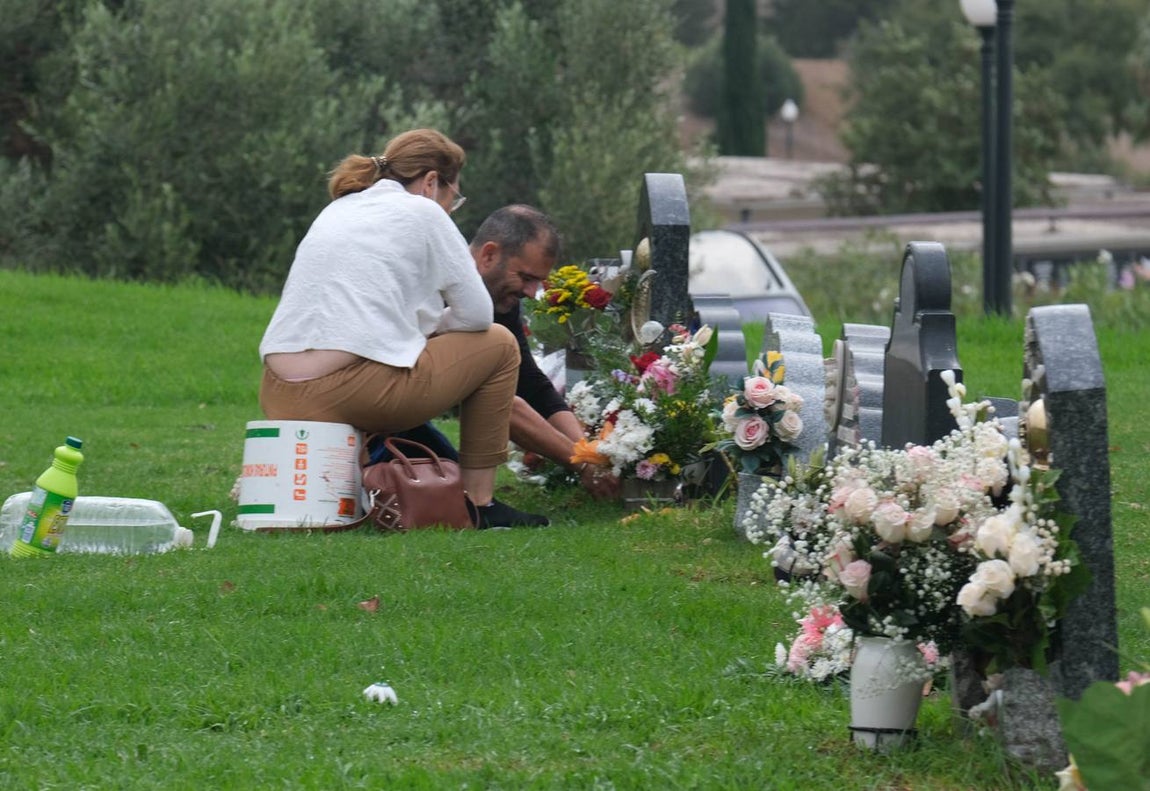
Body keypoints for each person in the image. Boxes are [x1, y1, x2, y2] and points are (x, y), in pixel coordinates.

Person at [257, 128, 548, 529]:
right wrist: (436, 330)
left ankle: (349, 495)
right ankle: (480, 504)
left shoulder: (338, 209)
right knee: (499, 345)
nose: (450, 208)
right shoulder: (424, 211)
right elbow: (479, 315)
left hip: (278, 393)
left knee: (382, 357)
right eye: (453, 198)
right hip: (351, 392)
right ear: (431, 182)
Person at [378, 205, 618, 499]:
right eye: (526, 278)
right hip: (370, 425)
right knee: (444, 488)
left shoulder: (499, 298)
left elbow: (531, 383)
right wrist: (584, 466)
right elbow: (501, 403)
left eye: (538, 282)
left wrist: (589, 450)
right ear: (488, 255)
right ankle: (482, 506)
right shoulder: (428, 282)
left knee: (449, 479)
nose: (532, 293)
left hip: (406, 418)